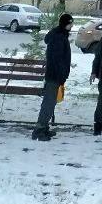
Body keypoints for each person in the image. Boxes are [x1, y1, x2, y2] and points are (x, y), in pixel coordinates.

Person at [32, 12, 73, 142]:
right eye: (70, 23)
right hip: (54, 75)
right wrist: (61, 76)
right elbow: (57, 59)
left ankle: (44, 127)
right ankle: (39, 130)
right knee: (48, 103)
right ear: (65, 24)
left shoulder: (60, 35)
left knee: (50, 103)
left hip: (55, 75)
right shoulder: (59, 37)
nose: (72, 26)